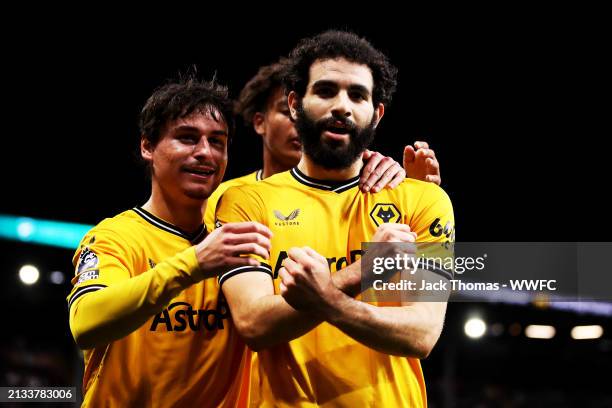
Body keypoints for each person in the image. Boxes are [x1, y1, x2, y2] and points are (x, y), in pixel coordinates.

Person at [215, 31, 454, 406]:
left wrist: (325, 296)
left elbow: (420, 334)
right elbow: (253, 324)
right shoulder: (245, 202)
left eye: (357, 95)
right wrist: (363, 272)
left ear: (376, 114)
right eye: (326, 91)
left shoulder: (424, 200)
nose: (342, 106)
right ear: (295, 104)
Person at [67, 76, 273, 407]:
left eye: (217, 142)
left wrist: (365, 162)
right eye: (187, 138)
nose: (205, 152)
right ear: (147, 147)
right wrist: (193, 264)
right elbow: (86, 323)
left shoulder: (240, 229)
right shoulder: (114, 236)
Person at [204, 59, 441, 231]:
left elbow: (404, 294)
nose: (301, 123)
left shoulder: (377, 185)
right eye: (288, 112)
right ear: (260, 122)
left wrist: (414, 196)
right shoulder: (224, 198)